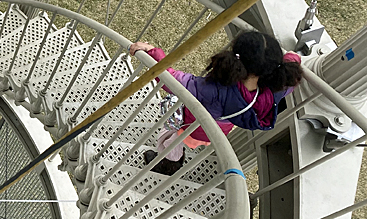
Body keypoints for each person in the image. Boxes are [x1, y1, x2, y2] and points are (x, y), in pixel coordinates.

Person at [128, 30, 303, 175]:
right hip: (219, 129)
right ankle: (172, 159)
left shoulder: (212, 90)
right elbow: (287, 79)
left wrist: (152, 52)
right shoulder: (272, 92)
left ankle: (169, 164)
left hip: (192, 126)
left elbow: (171, 79)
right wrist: (293, 58)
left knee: (170, 139)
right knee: (179, 139)